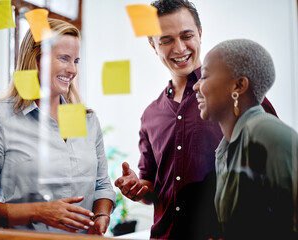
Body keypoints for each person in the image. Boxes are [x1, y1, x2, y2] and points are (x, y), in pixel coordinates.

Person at [115, 0, 277, 239]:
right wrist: (139, 188)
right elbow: (151, 189)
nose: (179, 48)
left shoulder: (238, 92)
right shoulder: (151, 115)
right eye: (166, 40)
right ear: (153, 45)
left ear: (200, 34)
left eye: (186, 35)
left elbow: (277, 169)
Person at [0, 19, 115, 235]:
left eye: (76, 61)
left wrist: (102, 215)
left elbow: (102, 186)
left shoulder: (87, 120)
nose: (72, 70)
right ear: (36, 60)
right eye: (64, 59)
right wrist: (38, 211)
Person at [193, 38, 298, 240]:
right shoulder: (225, 148)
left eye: (205, 76)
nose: (197, 86)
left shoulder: (268, 134)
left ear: (239, 85)